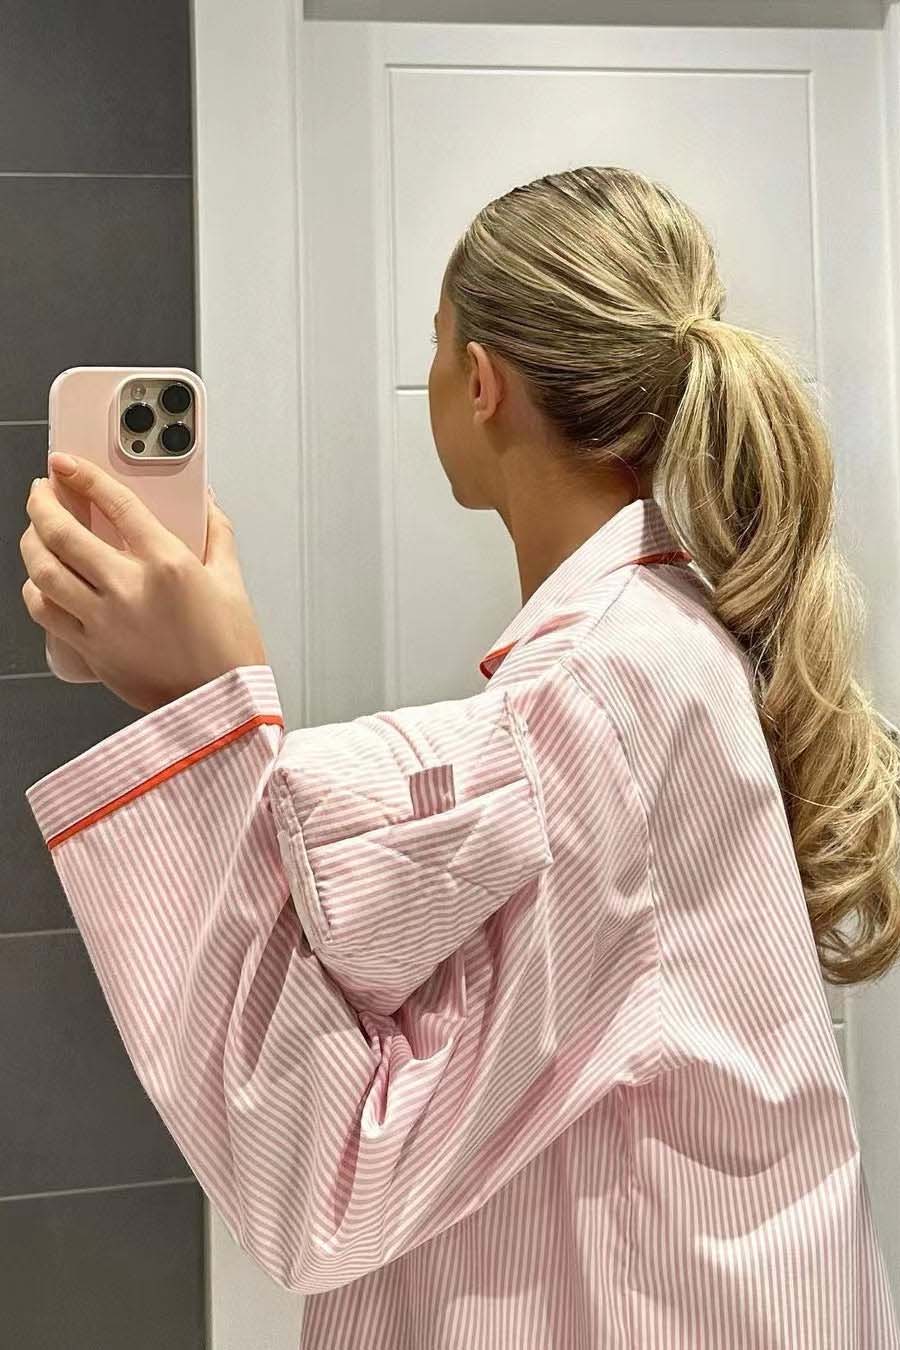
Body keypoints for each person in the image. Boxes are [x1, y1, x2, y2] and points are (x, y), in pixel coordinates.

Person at [20, 164, 900, 1348]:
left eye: (436, 344)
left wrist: (206, 714)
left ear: (480, 383)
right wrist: (205, 705)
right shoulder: (655, 650)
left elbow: (332, 1177)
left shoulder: (598, 691)